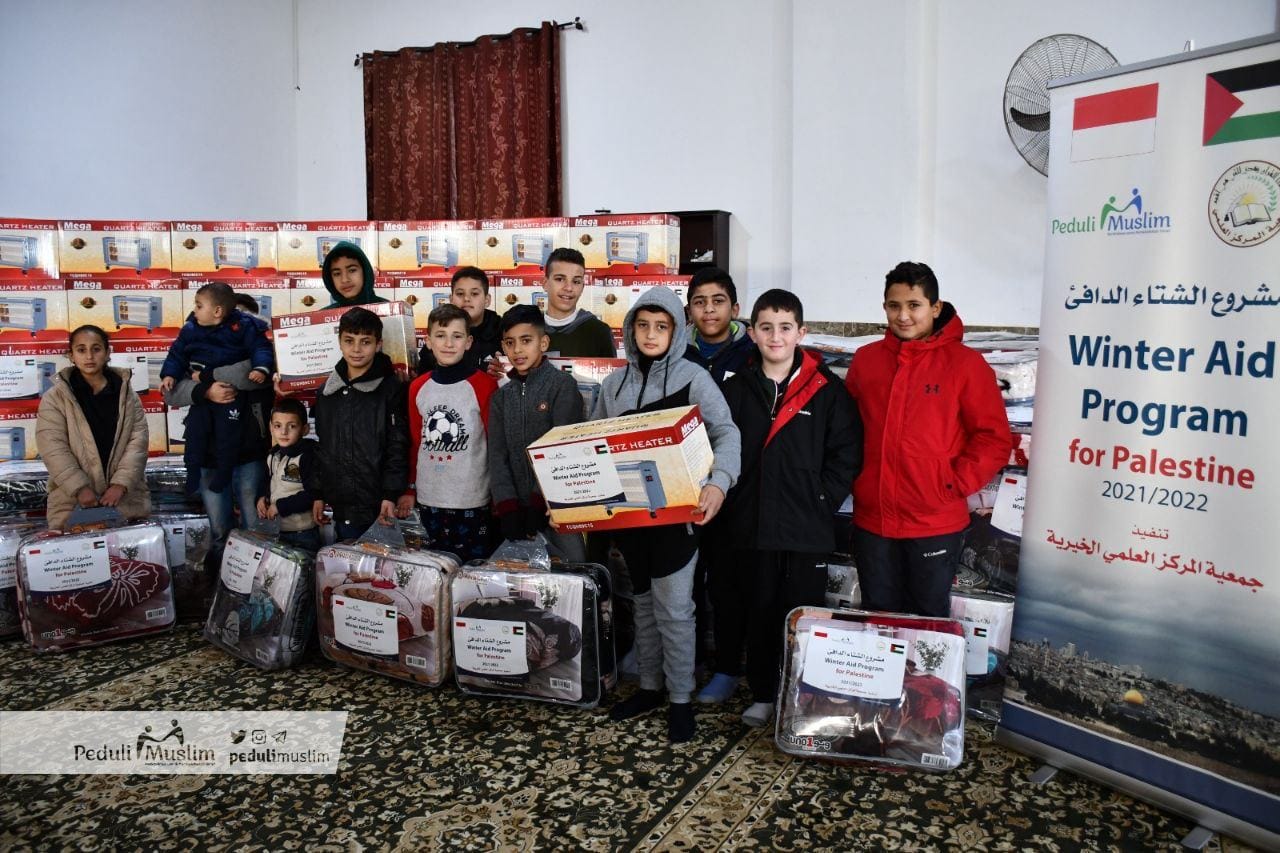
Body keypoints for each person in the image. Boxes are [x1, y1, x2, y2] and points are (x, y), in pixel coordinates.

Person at [703, 289, 861, 727]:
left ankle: (802, 696)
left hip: (806, 527)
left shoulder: (828, 391)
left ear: (801, 333)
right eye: (767, 328)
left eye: (785, 327)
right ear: (752, 333)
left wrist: (822, 500)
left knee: (801, 613)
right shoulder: (733, 389)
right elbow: (716, 446)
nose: (776, 337)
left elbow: (846, 454)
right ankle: (764, 693)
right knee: (759, 610)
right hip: (750, 524)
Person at [591, 287, 740, 743]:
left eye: (661, 326)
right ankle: (650, 688)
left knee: (675, 609)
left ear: (676, 331)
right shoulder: (612, 385)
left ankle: (680, 699)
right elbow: (590, 443)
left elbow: (726, 432)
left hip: (678, 517)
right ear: (630, 329)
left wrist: (719, 482)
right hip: (630, 518)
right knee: (642, 604)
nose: (651, 334)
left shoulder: (694, 378)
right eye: (643, 325)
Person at [845, 261, 1011, 617]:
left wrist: (951, 484)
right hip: (873, 520)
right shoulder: (866, 361)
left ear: (935, 308)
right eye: (894, 306)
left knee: (927, 619)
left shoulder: (965, 365)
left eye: (914, 305)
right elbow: (846, 430)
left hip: (934, 521)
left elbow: (993, 437)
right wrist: (855, 479)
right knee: (877, 618)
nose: (903, 315)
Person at [398, 304, 499, 560]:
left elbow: (495, 445)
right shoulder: (418, 387)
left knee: (470, 573)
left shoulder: (485, 385)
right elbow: (416, 443)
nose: (449, 343)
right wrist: (410, 489)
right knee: (432, 572)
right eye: (441, 336)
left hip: (472, 500)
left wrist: (499, 497)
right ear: (428, 341)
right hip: (429, 499)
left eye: (457, 336)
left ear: (469, 342)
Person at [487, 305, 587, 561]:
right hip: (516, 513)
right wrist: (507, 507)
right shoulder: (500, 398)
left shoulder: (562, 386)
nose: (517, 350)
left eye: (526, 340)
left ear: (543, 343)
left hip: (555, 508)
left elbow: (562, 450)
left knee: (573, 572)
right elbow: (497, 456)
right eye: (510, 343)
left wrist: (538, 501)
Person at [158, 282, 273, 495]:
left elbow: (250, 371)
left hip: (250, 447)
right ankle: (192, 473)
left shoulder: (253, 335)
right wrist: (173, 376)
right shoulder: (192, 331)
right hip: (205, 445)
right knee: (195, 434)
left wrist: (205, 376)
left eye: (199, 305)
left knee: (227, 437)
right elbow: (174, 374)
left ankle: (223, 472)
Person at [36, 325, 150, 529]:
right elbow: (52, 447)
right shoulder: (55, 398)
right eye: (81, 350)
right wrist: (79, 488)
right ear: (71, 355)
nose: (89, 356)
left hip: (123, 500)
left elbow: (138, 442)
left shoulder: (127, 395)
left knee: (126, 550)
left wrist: (120, 484)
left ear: (107, 352)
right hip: (72, 503)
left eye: (96, 349)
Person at [310, 307, 410, 541]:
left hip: (379, 503)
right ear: (339, 342)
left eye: (365, 342)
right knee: (345, 560)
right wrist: (318, 493)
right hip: (341, 504)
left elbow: (398, 446)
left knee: (380, 562)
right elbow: (321, 446)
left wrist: (390, 494)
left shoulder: (391, 389)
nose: (356, 349)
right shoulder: (326, 392)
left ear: (378, 344)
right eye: (349, 341)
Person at [255, 398, 322, 553]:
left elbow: (313, 494)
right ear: (271, 428)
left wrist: (279, 506)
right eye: (278, 426)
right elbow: (267, 481)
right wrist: (261, 497)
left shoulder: (307, 456)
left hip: (303, 533)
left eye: (292, 426)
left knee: (304, 567)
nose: (284, 432)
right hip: (277, 530)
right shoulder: (273, 455)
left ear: (305, 429)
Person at [416, 266, 503, 375]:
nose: (466, 299)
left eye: (474, 294)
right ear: (451, 299)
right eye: (460, 294)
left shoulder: (503, 333)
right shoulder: (437, 334)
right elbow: (424, 378)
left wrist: (506, 375)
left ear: (487, 300)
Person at [683, 267, 754, 384]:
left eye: (718, 301)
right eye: (700, 302)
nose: (709, 309)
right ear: (689, 312)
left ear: (734, 310)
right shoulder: (676, 355)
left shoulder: (752, 355)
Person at [541, 247, 615, 357]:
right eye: (560, 279)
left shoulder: (599, 332)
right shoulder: (527, 329)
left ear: (582, 287)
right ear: (545, 284)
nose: (569, 288)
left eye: (576, 281)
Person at [322, 241, 386, 308]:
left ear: (365, 272)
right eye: (337, 274)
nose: (344, 280)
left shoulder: (388, 310)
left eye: (352, 270)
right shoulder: (324, 314)